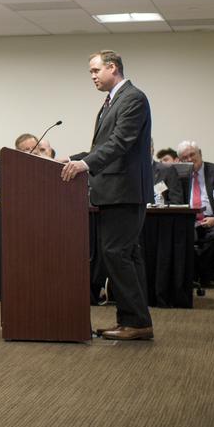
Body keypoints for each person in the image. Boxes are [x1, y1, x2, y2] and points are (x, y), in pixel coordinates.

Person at [59, 50, 153, 340]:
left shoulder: (132, 98)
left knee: (116, 254)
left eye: (95, 71)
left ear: (113, 68)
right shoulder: (112, 101)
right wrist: (72, 158)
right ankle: (135, 321)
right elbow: (104, 145)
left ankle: (135, 322)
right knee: (127, 255)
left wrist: (85, 164)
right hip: (114, 191)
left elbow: (120, 142)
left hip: (124, 191)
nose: (93, 77)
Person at [177, 140, 214, 288]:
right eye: (184, 157)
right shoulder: (178, 175)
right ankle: (203, 271)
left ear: (200, 154)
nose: (189, 159)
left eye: (192, 154)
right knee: (179, 236)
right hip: (189, 220)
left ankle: (199, 270)